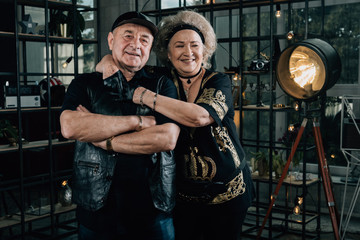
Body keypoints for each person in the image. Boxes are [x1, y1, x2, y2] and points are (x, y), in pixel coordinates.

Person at [97, 10, 255, 240]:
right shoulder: (161, 79)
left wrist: (144, 96)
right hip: (182, 198)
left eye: (194, 45)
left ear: (205, 50)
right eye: (179, 45)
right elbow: (111, 64)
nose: (188, 52)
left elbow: (200, 117)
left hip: (229, 193)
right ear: (168, 54)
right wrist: (106, 60)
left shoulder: (219, 81)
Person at [60, 11, 180, 240]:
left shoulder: (162, 84)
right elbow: (70, 127)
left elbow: (167, 138)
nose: (136, 45)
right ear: (111, 40)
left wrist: (105, 140)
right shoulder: (85, 84)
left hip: (154, 211)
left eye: (144, 40)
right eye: (128, 36)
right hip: (96, 210)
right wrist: (139, 122)